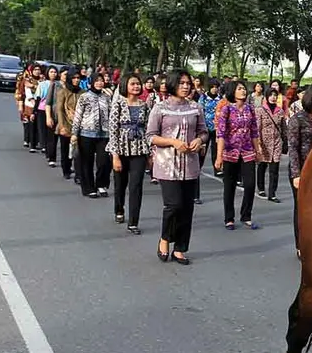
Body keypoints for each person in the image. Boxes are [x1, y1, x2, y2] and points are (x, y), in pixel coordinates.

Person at [146, 70, 207, 264]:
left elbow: (204, 132)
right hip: (167, 165)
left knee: (187, 208)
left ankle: (180, 248)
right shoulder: (160, 108)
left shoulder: (195, 107)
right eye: (181, 83)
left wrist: (199, 140)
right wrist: (172, 142)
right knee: (174, 205)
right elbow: (150, 136)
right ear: (173, 84)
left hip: (189, 165)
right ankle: (165, 239)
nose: (186, 86)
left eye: (188, 83)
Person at [287, 84, 312, 260]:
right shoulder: (298, 119)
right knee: (302, 209)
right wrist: (296, 174)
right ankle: (301, 245)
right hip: (302, 170)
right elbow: (292, 148)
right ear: (310, 97)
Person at [214, 80, 262, 230]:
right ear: (232, 92)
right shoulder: (226, 110)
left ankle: (246, 215)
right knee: (230, 186)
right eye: (239, 89)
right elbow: (221, 134)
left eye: (244, 89)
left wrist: (258, 150)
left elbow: (254, 131)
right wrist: (219, 155)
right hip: (230, 152)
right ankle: (229, 218)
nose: (243, 91)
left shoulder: (250, 109)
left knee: (249, 184)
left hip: (247, 151)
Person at [109, 73, 151, 234]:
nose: (136, 87)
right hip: (121, 148)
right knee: (120, 184)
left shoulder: (145, 105)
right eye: (132, 84)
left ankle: (133, 222)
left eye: (138, 84)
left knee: (136, 186)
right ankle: (119, 209)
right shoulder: (118, 104)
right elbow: (113, 130)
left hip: (139, 149)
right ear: (125, 85)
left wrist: (150, 154)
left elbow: (148, 129)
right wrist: (115, 155)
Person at [72, 73, 112, 198]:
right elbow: (78, 115)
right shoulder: (84, 97)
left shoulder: (106, 97)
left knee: (103, 161)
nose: (100, 83)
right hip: (86, 133)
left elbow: (112, 114)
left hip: (104, 134)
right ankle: (89, 187)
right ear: (92, 82)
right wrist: (74, 133)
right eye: (97, 81)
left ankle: (101, 184)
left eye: (101, 81)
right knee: (86, 162)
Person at [255, 88, 285, 203]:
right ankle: (261, 188)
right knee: (262, 166)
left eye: (275, 95)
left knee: (274, 169)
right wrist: (258, 144)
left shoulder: (280, 111)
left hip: (276, 142)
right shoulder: (260, 110)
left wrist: (285, 142)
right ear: (267, 97)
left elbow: (283, 128)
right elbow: (257, 128)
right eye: (271, 95)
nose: (273, 97)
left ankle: (272, 193)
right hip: (263, 142)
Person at [54, 68, 82, 181]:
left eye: (78, 78)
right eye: (74, 78)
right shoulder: (63, 92)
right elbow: (59, 110)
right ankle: (66, 169)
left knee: (78, 151)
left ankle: (79, 175)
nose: (76, 80)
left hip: (79, 125)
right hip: (66, 123)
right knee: (65, 150)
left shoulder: (83, 93)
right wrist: (62, 126)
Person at [34, 66, 58, 162]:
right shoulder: (42, 84)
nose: (53, 74)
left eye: (55, 72)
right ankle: (45, 147)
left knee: (51, 133)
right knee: (43, 131)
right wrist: (34, 111)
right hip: (42, 109)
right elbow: (38, 98)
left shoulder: (59, 85)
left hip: (54, 111)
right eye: (51, 72)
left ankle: (50, 152)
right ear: (47, 73)